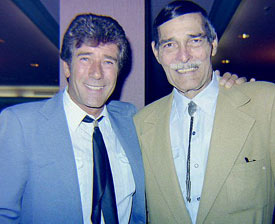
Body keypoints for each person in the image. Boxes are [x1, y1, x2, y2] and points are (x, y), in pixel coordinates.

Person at [134, 1, 275, 223]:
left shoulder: (265, 104)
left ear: (213, 43)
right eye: (170, 45)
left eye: (195, 41)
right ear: (156, 52)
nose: (183, 56)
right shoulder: (139, 124)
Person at [0, 13, 146, 224]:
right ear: (67, 67)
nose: (96, 73)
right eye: (85, 58)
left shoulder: (130, 118)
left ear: (118, 71)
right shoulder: (20, 125)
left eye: (108, 61)